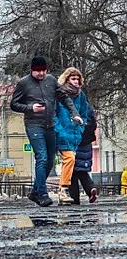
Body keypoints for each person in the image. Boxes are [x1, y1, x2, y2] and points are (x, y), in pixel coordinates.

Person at [10, 56, 83, 207]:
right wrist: (30, 108)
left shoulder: (51, 80)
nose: (41, 74)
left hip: (50, 125)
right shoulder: (24, 83)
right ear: (32, 70)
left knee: (50, 160)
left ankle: (34, 191)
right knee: (41, 157)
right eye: (38, 71)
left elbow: (63, 97)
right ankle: (43, 194)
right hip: (34, 124)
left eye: (43, 70)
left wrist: (74, 113)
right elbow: (14, 104)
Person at [54, 67, 90, 205]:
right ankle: (62, 190)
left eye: (77, 79)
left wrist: (81, 127)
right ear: (67, 79)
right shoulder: (59, 93)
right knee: (69, 159)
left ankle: (62, 191)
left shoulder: (81, 96)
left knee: (69, 161)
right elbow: (54, 113)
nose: (76, 82)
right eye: (73, 79)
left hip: (74, 134)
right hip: (62, 132)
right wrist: (59, 130)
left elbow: (84, 114)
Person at [70, 107, 98, 204]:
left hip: (75, 143)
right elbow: (94, 124)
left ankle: (74, 198)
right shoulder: (87, 108)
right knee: (81, 171)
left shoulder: (72, 107)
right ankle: (91, 189)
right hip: (87, 143)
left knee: (71, 171)